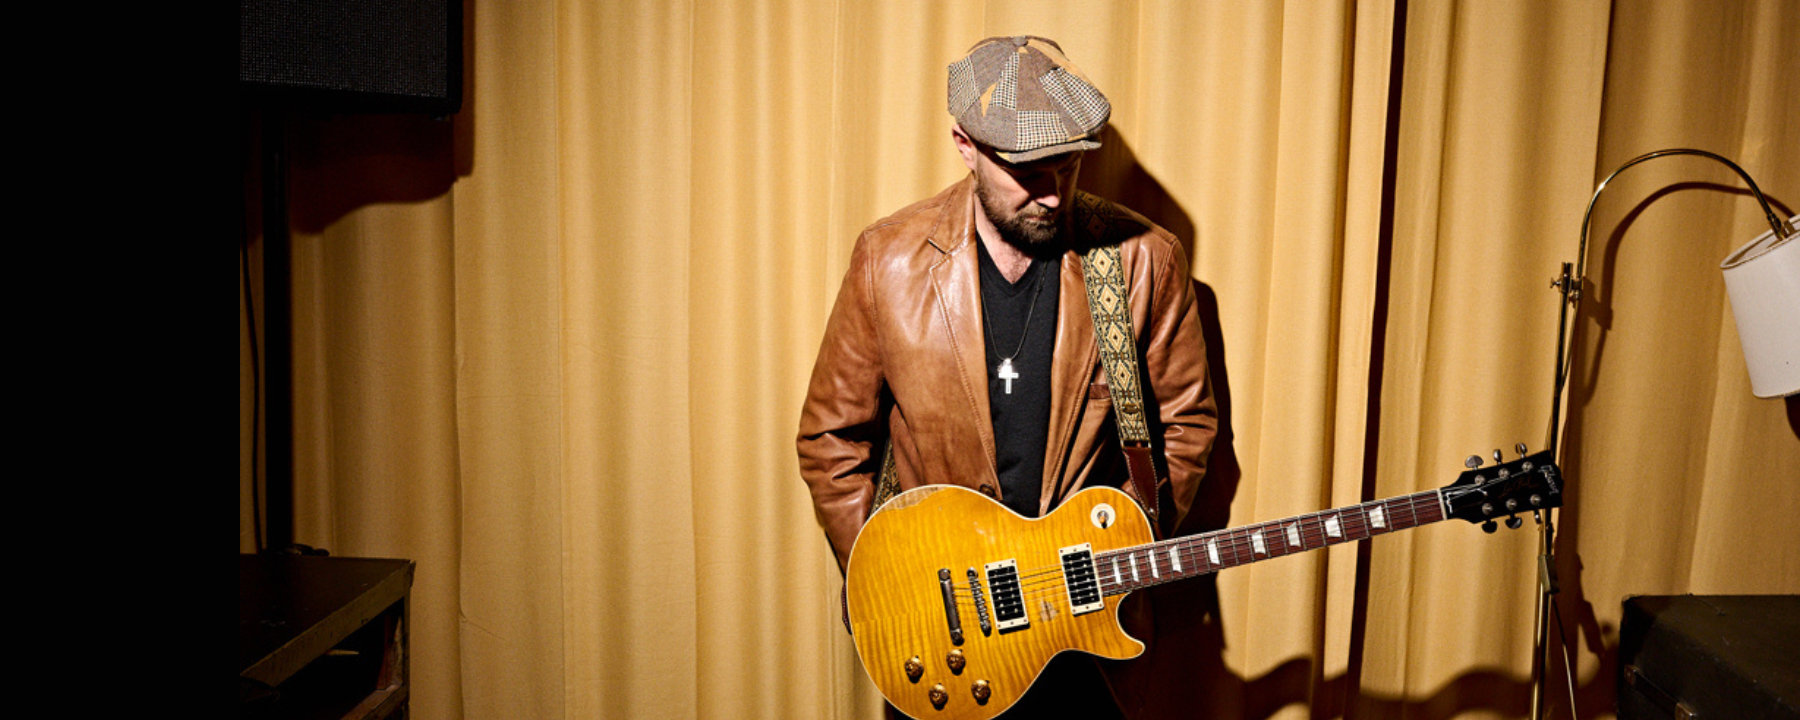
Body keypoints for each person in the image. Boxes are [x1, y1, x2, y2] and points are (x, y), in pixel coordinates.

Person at [797, 36, 1218, 718]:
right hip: (943, 634)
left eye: (1067, 167)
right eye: (1027, 172)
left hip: (1080, 637)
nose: (1051, 196)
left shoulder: (1140, 261)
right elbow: (829, 439)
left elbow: (1188, 424)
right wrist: (890, 574)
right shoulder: (887, 261)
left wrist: (1123, 537)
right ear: (965, 146)